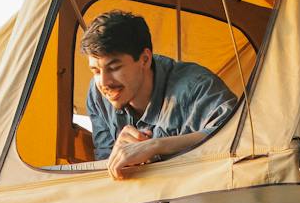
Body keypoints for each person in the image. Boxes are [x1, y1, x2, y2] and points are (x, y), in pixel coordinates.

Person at [82, 10, 240, 180]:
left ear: (145, 59)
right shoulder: (97, 95)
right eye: (96, 71)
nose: (104, 82)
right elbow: (104, 168)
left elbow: (239, 135)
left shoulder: (197, 87)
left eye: (114, 68)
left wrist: (157, 145)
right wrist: (117, 158)